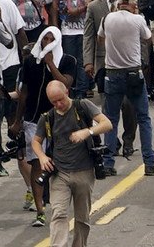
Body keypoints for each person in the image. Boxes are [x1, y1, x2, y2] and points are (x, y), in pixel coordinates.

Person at [31, 79, 111, 247]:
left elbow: (107, 124)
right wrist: (42, 157)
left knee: (82, 218)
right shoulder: (47, 117)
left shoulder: (82, 106)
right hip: (60, 174)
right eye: (54, 102)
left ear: (67, 92)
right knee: (58, 214)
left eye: (61, 99)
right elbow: (36, 141)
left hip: (84, 171)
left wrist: (87, 132)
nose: (59, 104)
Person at [97, 0, 154, 176]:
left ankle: (108, 163)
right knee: (143, 118)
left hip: (112, 73)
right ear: (133, 5)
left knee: (111, 119)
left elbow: (101, 39)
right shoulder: (138, 19)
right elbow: (149, 39)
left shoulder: (107, 18)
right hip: (133, 72)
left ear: (118, 5)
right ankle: (149, 163)